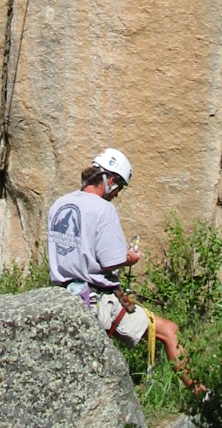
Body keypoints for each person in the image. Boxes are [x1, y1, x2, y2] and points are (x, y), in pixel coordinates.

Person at [47, 148, 195, 385]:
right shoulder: (104, 210)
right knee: (169, 331)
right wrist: (130, 258)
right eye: (119, 188)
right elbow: (110, 261)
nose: (117, 195)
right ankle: (205, 397)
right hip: (96, 300)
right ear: (111, 181)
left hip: (62, 294)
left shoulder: (60, 204)